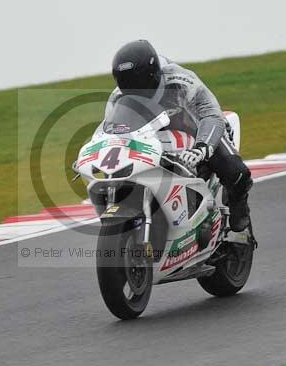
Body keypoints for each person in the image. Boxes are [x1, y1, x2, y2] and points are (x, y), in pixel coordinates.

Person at [106, 39, 253, 231]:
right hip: (155, 141)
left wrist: (202, 148)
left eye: (139, 82)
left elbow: (211, 115)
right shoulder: (117, 98)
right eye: (128, 84)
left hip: (198, 132)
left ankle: (238, 204)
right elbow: (112, 135)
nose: (136, 90)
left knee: (237, 171)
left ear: (152, 74)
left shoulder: (181, 81)